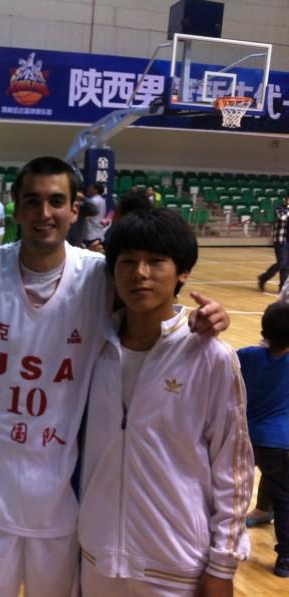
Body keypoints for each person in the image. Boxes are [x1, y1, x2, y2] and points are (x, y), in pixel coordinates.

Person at [0, 156, 229, 597]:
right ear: (15, 206)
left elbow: (151, 303)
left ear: (76, 210)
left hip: (63, 500)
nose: (44, 213)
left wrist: (202, 316)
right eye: (32, 201)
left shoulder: (99, 277)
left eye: (57, 201)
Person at [79, 208, 252, 596]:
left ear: (183, 272)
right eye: (127, 262)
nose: (140, 273)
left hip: (174, 567)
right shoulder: (92, 348)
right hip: (97, 559)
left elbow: (234, 465)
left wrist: (223, 564)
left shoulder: (210, 357)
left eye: (156, 261)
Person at [238, 301, 289, 578]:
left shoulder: (246, 356)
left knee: (233, 492)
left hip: (246, 439)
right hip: (280, 443)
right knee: (285, 499)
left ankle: (223, 543)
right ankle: (285, 559)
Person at [258, 192, 289, 293]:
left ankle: (282, 288)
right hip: (281, 240)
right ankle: (263, 278)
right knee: (282, 263)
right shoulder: (280, 208)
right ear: (286, 199)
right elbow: (282, 217)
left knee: (286, 265)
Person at [83, 182, 107, 246]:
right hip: (99, 233)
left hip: (90, 235)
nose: (89, 189)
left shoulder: (93, 201)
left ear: (95, 190)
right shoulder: (102, 200)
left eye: (91, 188)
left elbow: (87, 217)